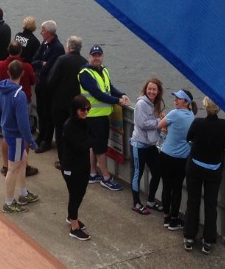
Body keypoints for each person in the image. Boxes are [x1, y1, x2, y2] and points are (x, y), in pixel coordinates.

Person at [77, 44, 129, 191]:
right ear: (89, 57)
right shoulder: (85, 73)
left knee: (94, 146)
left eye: (99, 55)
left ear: (102, 56)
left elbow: (109, 88)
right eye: (94, 55)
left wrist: (121, 94)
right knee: (100, 148)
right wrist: (117, 101)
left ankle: (93, 174)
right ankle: (106, 178)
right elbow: (97, 93)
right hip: (94, 116)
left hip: (101, 115)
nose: (97, 58)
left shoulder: (103, 70)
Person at [183, 96, 225, 254]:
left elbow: (188, 138)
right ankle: (208, 240)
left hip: (195, 167)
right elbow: (224, 145)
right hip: (214, 169)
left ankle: (190, 237)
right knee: (211, 204)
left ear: (205, 107)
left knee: (193, 201)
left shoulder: (198, 123)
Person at [0, 60, 38, 214]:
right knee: (13, 169)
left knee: (23, 160)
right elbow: (23, 124)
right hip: (17, 137)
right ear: (22, 73)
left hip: (8, 132)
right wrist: (31, 141)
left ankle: (23, 193)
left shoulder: (2, 88)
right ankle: (8, 202)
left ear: (8, 73)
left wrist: (1, 128)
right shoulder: (19, 96)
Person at [0, 43, 38, 176]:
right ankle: (23, 166)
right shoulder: (26, 67)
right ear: (20, 52)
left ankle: (5, 165)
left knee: (6, 133)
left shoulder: (0, 65)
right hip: (23, 101)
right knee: (23, 133)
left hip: (5, 99)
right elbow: (32, 80)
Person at [158, 89, 197, 231]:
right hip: (182, 159)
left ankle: (166, 218)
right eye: (175, 97)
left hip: (167, 156)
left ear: (186, 102)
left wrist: (167, 128)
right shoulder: (192, 115)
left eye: (178, 98)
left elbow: (159, 125)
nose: (175, 100)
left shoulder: (174, 114)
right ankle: (174, 220)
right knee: (177, 189)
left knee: (167, 187)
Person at [44, 36, 85, 162]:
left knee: (60, 130)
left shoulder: (61, 60)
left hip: (60, 104)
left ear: (68, 47)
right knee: (76, 132)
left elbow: (51, 81)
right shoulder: (84, 63)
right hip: (77, 104)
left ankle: (63, 159)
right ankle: (75, 158)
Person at [59, 94, 94, 241]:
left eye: (87, 109)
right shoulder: (69, 126)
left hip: (83, 164)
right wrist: (90, 141)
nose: (85, 112)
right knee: (75, 194)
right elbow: (81, 146)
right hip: (71, 167)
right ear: (75, 109)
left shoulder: (83, 122)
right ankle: (74, 227)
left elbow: (89, 139)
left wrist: (89, 141)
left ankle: (71, 216)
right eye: (82, 110)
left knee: (80, 193)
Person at [129, 77, 165, 214]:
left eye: (154, 89)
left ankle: (150, 200)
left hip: (151, 145)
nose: (151, 91)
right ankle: (136, 203)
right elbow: (142, 123)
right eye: (149, 89)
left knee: (157, 171)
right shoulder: (141, 104)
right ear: (145, 89)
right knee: (137, 173)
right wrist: (159, 121)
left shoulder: (155, 103)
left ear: (158, 91)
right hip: (139, 145)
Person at [32, 19, 64, 150]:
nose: (40, 32)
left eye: (43, 30)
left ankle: (47, 139)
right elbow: (34, 60)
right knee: (40, 111)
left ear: (49, 32)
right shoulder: (44, 44)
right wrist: (41, 63)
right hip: (40, 85)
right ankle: (41, 136)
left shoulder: (57, 48)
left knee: (48, 113)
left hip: (49, 87)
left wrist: (41, 64)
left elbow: (49, 67)